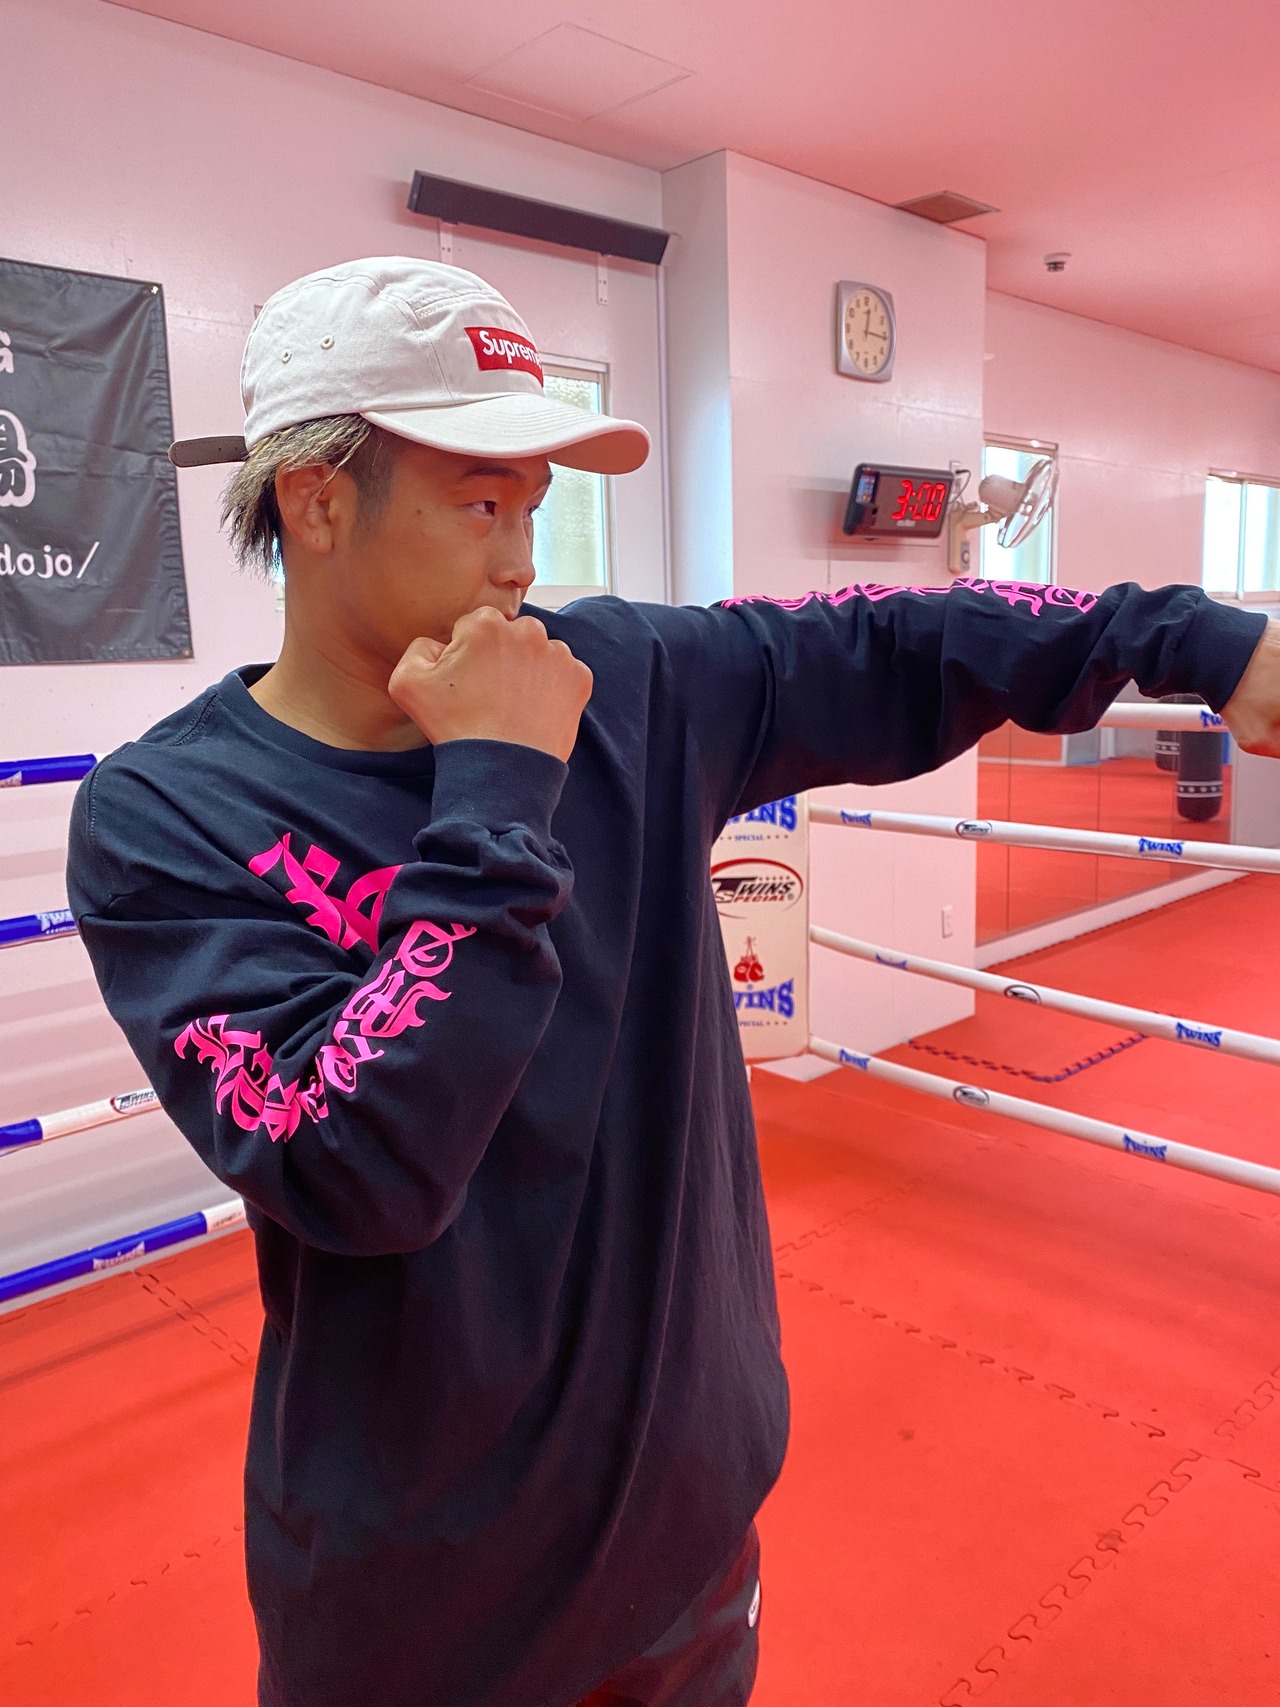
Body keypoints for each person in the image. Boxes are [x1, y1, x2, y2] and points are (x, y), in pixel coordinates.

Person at [67, 257, 1280, 1707]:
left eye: (532, 506)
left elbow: (892, 641)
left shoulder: (624, 680)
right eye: (480, 503)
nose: (521, 561)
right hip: (421, 1604)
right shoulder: (170, 815)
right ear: (318, 503)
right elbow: (354, 1163)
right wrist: (498, 788)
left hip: (688, 1543)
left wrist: (1193, 640)